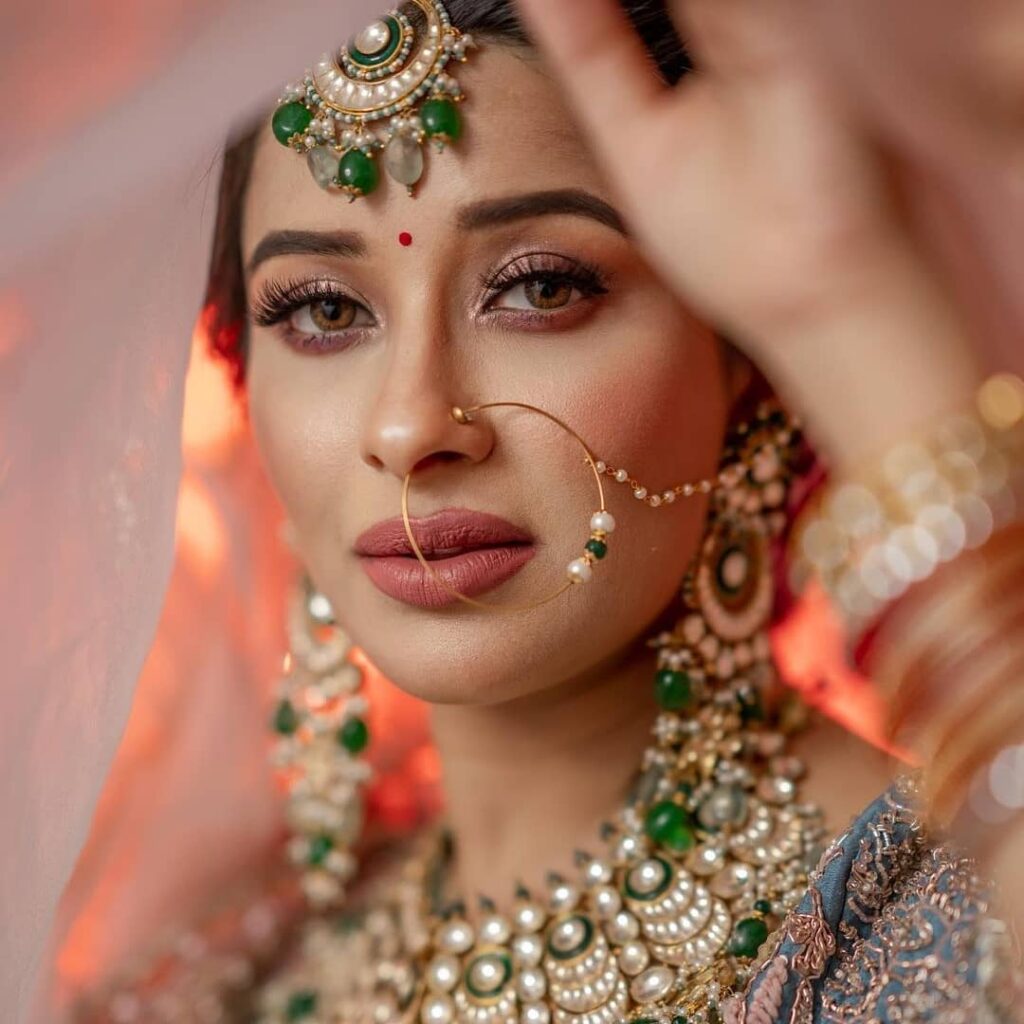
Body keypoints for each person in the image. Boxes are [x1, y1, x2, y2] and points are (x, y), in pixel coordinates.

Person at [11, 0, 1024, 1021]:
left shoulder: (949, 924)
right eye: (322, 308)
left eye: (539, 288)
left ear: (744, 357)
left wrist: (845, 307)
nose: (411, 426)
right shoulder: (218, 978)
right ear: (239, 368)